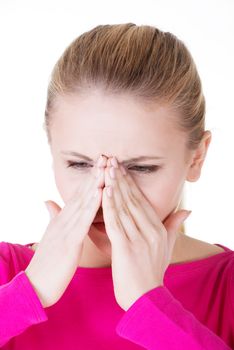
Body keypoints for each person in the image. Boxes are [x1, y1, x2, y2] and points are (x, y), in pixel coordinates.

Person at [0, 23, 233, 349]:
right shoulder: (5, 271)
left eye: (141, 168)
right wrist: (28, 292)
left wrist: (150, 305)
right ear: (52, 151)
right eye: (80, 164)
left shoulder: (227, 286)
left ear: (196, 158)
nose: (106, 195)